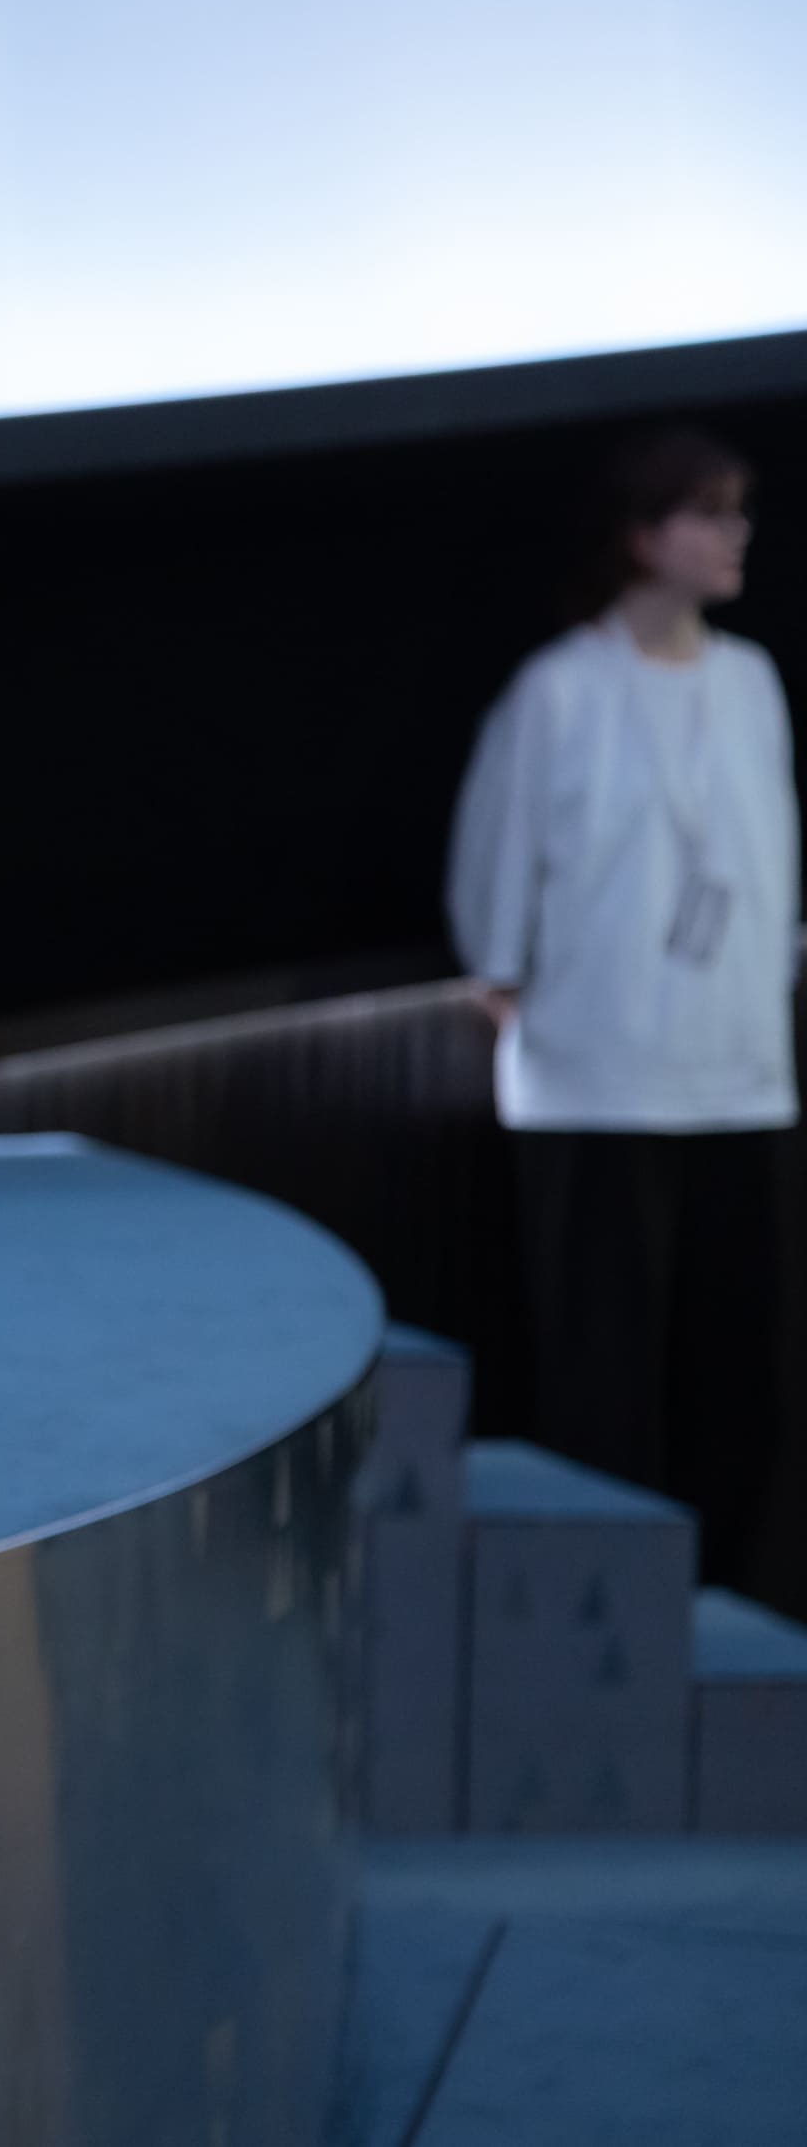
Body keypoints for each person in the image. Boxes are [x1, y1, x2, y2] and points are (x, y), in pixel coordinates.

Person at [448, 424, 793, 1583]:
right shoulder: (560, 689)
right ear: (643, 536)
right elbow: (497, 862)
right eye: (707, 512)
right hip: (596, 1075)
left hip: (737, 1072)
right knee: (601, 1369)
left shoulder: (749, 680)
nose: (733, 533)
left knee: (735, 1371)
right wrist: (502, 974)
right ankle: (606, 1607)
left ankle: (732, 1604)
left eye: (738, 510)